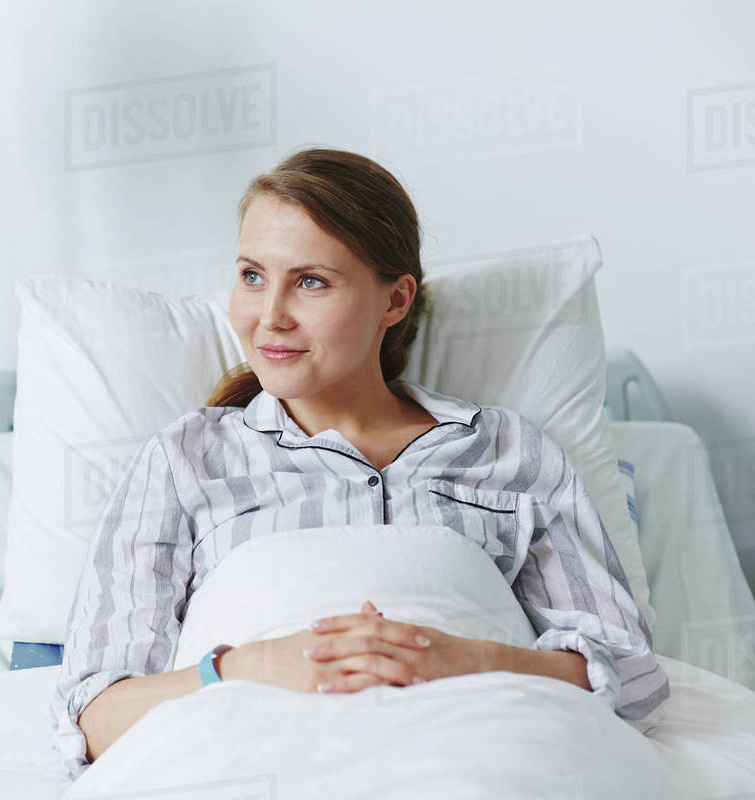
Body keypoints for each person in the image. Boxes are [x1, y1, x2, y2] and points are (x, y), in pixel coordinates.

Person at [48, 148, 669, 782]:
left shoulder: (508, 451)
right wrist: (250, 667)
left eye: (311, 281)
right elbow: (91, 715)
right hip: (243, 748)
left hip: (477, 745)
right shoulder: (186, 460)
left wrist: (458, 659)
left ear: (395, 301)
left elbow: (635, 679)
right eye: (252, 275)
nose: (269, 316)